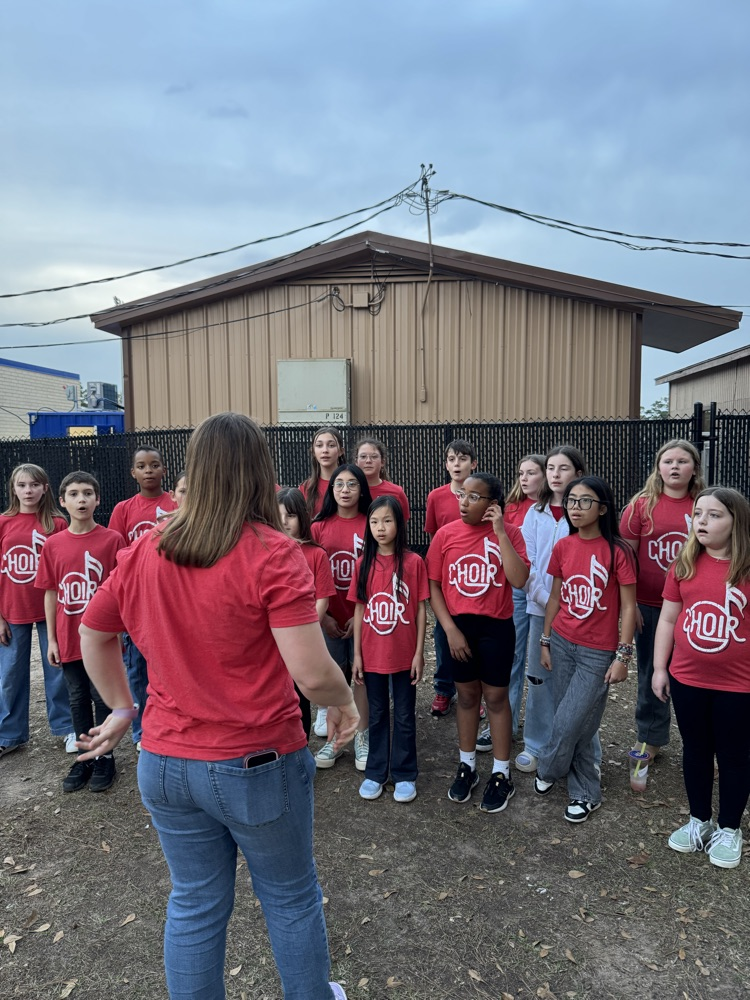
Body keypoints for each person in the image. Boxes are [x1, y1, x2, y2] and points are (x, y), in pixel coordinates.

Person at [77, 412, 356, 1000]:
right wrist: (345, 700)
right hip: (256, 763)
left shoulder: (147, 548)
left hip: (165, 762)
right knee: (290, 897)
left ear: (193, 471)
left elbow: (93, 633)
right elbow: (311, 672)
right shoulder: (272, 552)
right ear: (260, 470)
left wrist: (124, 709)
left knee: (195, 902)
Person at [652, 487, 750, 870]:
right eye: (699, 514)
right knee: (695, 749)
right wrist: (661, 668)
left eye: (714, 515)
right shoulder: (684, 564)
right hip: (688, 679)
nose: (703, 522)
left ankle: (729, 828)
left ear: (736, 522)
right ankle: (699, 820)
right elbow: (668, 619)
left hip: (738, 686)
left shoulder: (745, 569)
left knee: (733, 755)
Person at [534, 477, 637, 823]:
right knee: (581, 724)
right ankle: (585, 793)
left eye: (585, 501)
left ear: (603, 509)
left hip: (598, 652)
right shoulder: (564, 546)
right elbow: (555, 597)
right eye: (572, 501)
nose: (576, 507)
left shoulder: (618, 551)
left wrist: (623, 656)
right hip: (562, 642)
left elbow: (627, 607)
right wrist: (545, 641)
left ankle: (548, 767)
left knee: (569, 721)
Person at [427, 473, 529, 813]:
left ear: (492, 505)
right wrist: (450, 630)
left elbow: (518, 579)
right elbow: (434, 587)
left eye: (474, 497)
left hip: (496, 628)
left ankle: (502, 773)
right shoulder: (445, 535)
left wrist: (500, 532)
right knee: (467, 696)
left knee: (497, 699)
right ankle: (467, 765)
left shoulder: (510, 533)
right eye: (462, 495)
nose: (464, 502)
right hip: (458, 629)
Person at [35, 472, 124, 792]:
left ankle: (105, 756)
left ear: (98, 499)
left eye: (88, 493)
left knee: (103, 697)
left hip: (102, 638)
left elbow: (123, 589)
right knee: (76, 697)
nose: (81, 499)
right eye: (73, 494)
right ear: (62, 501)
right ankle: (85, 757)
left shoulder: (112, 539)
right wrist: (53, 639)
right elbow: (50, 592)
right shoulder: (54, 544)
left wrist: (121, 631)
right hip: (70, 636)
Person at [620, 440, 705, 764]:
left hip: (694, 607)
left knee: (696, 677)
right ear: (658, 467)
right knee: (651, 673)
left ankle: (701, 743)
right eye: (667, 461)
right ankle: (650, 738)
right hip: (650, 606)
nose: (674, 467)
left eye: (682, 461)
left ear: (694, 468)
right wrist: (632, 607)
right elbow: (625, 558)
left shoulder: (704, 504)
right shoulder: (641, 506)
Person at [349, 496, 428, 803]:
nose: (380, 528)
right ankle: (376, 772)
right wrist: (357, 654)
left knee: (405, 715)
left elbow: (421, 610)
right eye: (374, 522)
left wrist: (419, 653)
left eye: (387, 521)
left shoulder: (413, 562)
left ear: (399, 524)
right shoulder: (362, 564)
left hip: (404, 654)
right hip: (371, 656)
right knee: (378, 713)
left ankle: (405, 773)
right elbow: (359, 611)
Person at [516, 445, 588, 773]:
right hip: (539, 607)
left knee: (574, 681)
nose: (556, 475)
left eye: (564, 469)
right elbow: (526, 562)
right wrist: (547, 601)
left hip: (579, 612)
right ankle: (536, 743)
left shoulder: (583, 512)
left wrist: (568, 604)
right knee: (540, 676)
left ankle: (569, 745)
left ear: (578, 474)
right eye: (551, 469)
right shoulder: (536, 512)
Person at [0, 463, 73, 758]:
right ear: (13, 489)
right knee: (10, 674)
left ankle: (67, 727)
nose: (28, 490)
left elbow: (67, 568)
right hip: (11, 609)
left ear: (45, 488)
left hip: (50, 608)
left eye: (34, 484)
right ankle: (9, 734)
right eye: (22, 485)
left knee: (57, 669)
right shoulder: (3, 522)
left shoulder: (57, 523)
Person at [108, 445, 178, 748]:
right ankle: (142, 731)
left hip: (169, 596)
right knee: (137, 667)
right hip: (137, 598)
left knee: (170, 662)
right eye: (142, 465)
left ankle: (172, 723)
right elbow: (117, 558)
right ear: (133, 473)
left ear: (164, 470)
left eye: (154, 465)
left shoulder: (176, 503)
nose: (148, 470)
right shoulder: (124, 509)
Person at [477, 454, 545, 750]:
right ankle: (505, 723)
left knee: (542, 663)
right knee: (513, 658)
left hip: (545, 591)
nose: (524, 478)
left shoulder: (554, 508)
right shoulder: (510, 508)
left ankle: (539, 732)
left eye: (532, 473)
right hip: (516, 589)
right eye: (521, 473)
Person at [311, 465, 372, 769]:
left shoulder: (371, 523)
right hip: (329, 618)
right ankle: (334, 740)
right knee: (335, 678)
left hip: (363, 616)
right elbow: (308, 576)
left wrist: (362, 616)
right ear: (331, 490)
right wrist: (323, 618)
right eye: (339, 484)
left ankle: (361, 735)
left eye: (351, 484)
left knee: (360, 676)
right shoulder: (318, 527)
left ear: (362, 489)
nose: (345, 489)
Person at [424, 439, 478, 717]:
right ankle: (444, 689)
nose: (457, 464)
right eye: (451, 459)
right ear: (446, 464)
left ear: (474, 463)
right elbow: (434, 539)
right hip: (446, 579)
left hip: (476, 575)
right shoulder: (436, 496)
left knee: (476, 634)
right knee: (443, 635)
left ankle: (475, 691)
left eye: (462, 459)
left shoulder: (483, 494)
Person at [277, 486, 336, 739]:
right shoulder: (267, 551)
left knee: (301, 695)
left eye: (290, 515)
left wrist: (306, 631)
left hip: (305, 639)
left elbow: (322, 598)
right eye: (278, 515)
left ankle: (301, 748)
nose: (284, 522)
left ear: (302, 516)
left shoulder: (316, 554)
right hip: (274, 640)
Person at [354, 437, 410, 520]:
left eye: (374, 456)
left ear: (382, 462)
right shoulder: (348, 490)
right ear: (356, 462)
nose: (368, 461)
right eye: (363, 456)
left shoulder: (396, 492)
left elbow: (402, 525)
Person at [299, 426, 346, 518]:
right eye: (319, 445)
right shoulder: (305, 488)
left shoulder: (351, 485)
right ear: (313, 452)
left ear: (341, 451)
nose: (325, 450)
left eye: (331, 445)